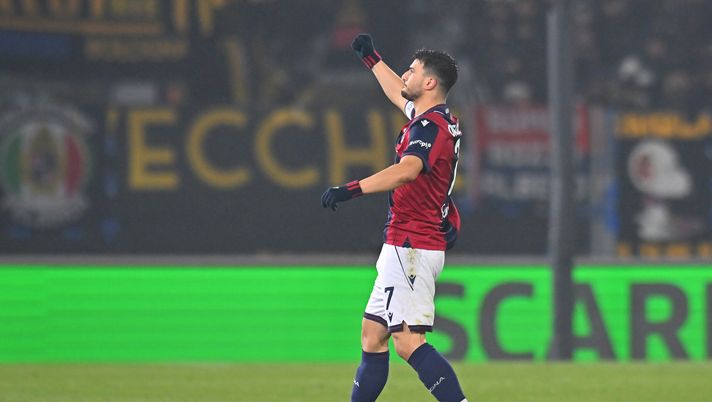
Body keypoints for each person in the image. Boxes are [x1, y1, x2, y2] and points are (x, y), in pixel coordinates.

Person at [321, 34, 468, 402]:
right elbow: (396, 91)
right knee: (373, 335)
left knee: (408, 341)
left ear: (430, 83)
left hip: (412, 245)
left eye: (413, 70)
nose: (405, 74)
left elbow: (408, 170)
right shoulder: (432, 118)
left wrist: (350, 189)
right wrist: (372, 59)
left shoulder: (428, 128)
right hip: (403, 241)